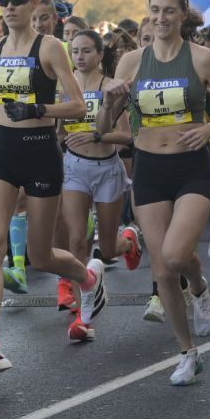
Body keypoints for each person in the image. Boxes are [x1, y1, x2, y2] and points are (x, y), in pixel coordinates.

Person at [98, 0, 210, 386]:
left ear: (183, 16)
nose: (161, 18)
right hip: (148, 169)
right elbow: (102, 126)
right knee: (162, 270)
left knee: (177, 257)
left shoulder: (200, 59)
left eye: (169, 11)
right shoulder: (131, 62)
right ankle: (188, 352)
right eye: (155, 10)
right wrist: (108, 104)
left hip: (191, 166)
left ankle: (198, 286)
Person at [0, 0, 108, 378]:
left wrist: (38, 110)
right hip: (3, 153)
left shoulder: (50, 48)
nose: (8, 8)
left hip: (41, 151)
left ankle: (88, 277)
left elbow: (79, 106)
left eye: (16, 1)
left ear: (34, 5)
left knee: (41, 255)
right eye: (2, 2)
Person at [61, 29, 141, 341]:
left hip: (107, 168)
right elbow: (59, 128)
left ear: (99, 56)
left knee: (107, 249)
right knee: (78, 240)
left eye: (85, 51)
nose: (79, 57)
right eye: (75, 51)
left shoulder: (111, 88)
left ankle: (129, 240)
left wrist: (97, 135)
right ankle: (85, 316)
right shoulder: (65, 87)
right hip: (74, 168)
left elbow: (126, 137)